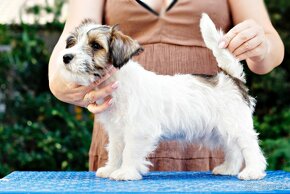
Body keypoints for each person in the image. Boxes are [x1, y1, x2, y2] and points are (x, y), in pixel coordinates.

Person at [48, 0, 284, 171]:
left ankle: (253, 162)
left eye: (95, 46)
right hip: (119, 97)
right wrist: (64, 86)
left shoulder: (130, 74)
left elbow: (271, 46)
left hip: (219, 90)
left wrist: (262, 45)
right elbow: (62, 60)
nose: (76, 51)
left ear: (118, 54)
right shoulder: (126, 85)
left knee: (236, 131)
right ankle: (117, 163)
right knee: (118, 129)